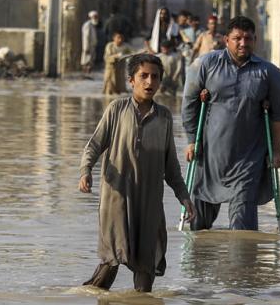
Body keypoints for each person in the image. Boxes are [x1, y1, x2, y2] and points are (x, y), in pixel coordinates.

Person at [79, 53, 196, 292]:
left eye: (155, 77)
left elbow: (171, 166)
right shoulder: (117, 110)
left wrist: (184, 196)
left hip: (150, 202)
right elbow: (94, 144)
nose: (149, 82)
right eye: (143, 76)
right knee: (111, 261)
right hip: (117, 198)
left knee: (146, 267)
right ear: (131, 80)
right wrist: (86, 170)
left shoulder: (163, 117)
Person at [181, 16, 280, 231]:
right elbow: (189, 103)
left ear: (254, 40)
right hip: (209, 156)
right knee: (197, 228)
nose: (242, 43)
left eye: (248, 38)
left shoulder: (269, 73)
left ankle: (242, 267)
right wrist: (192, 140)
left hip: (248, 161)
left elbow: (279, 116)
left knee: (243, 233)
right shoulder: (206, 64)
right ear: (225, 40)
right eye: (237, 38)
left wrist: (277, 151)